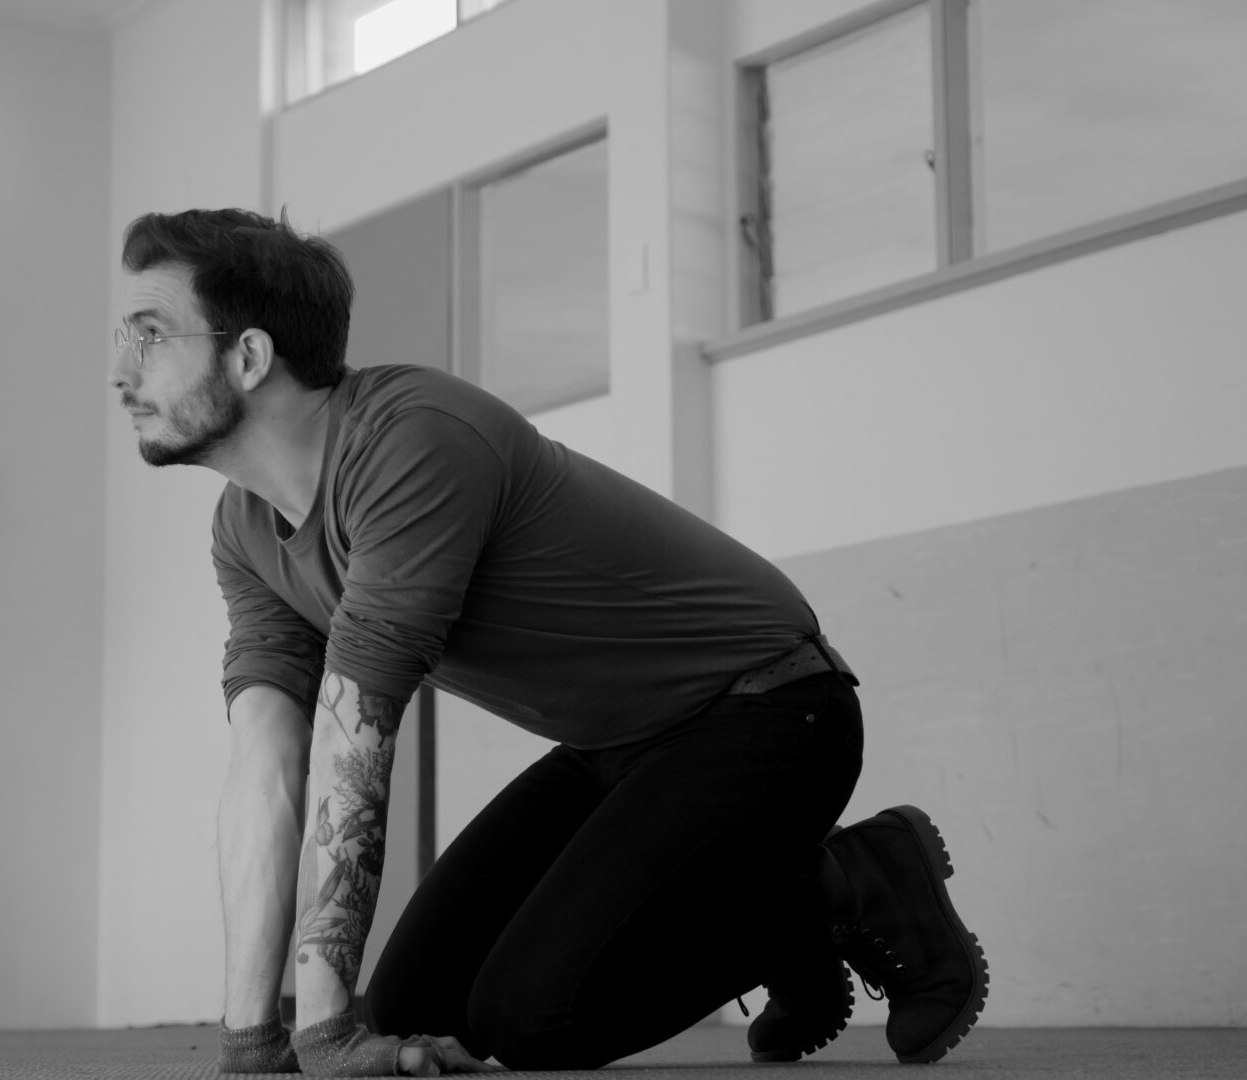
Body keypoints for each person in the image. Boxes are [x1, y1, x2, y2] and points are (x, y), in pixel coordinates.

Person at [110, 208, 989, 1076]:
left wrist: (324, 1034)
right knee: (411, 1009)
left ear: (250, 356)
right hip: (618, 748)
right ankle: (783, 928)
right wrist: (254, 1040)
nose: (121, 371)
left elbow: (352, 750)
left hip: (771, 707)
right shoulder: (244, 530)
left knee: (534, 1017)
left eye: (149, 337)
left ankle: (837, 891)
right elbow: (266, 767)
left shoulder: (411, 439)